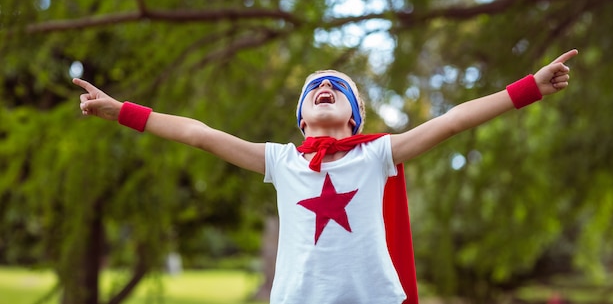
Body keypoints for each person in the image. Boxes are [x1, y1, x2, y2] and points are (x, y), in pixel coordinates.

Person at [73, 49, 578, 304]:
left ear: (354, 116)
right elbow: (197, 132)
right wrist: (122, 112)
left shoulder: (379, 154)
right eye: (316, 87)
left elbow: (454, 118)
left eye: (339, 86)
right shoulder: (281, 161)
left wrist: (528, 88)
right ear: (302, 119)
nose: (327, 86)